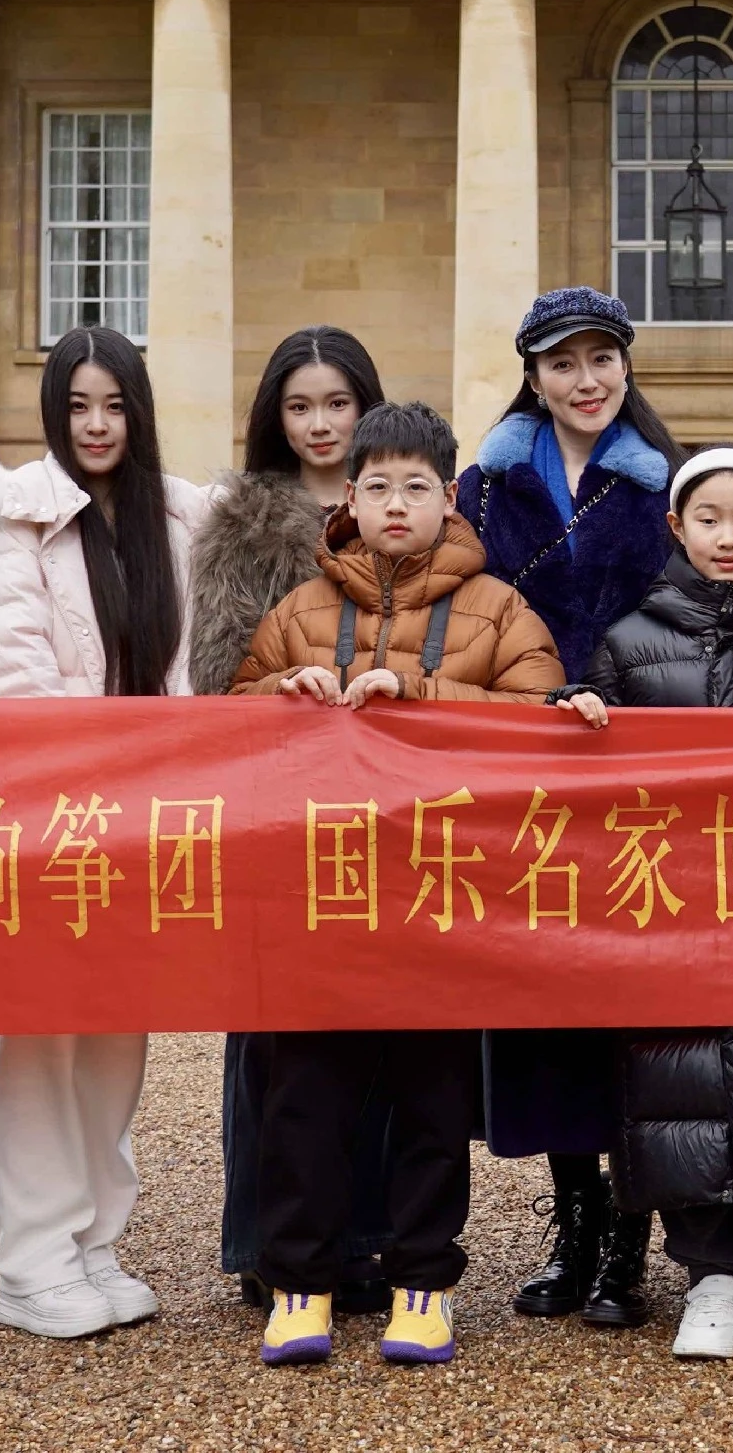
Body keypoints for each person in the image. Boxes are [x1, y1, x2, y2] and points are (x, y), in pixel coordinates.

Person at [233, 400, 564, 1368]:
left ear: (448, 496)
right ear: (348, 494)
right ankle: (299, 1282)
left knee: (431, 1101)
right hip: (320, 896)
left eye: (415, 486)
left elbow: (541, 720)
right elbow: (227, 720)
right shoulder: (300, 609)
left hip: (441, 897)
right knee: (303, 1100)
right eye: (376, 485)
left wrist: (418, 693)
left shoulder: (498, 607)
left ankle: (424, 1281)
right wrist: (278, 695)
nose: (394, 504)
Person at [0, 328, 214, 1339]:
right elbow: (13, 681)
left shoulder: (180, 517)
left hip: (151, 821)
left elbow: (197, 671)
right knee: (33, 1038)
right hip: (46, 817)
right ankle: (32, 1261)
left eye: (114, 405)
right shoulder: (16, 521)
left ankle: (94, 1241)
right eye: (76, 406)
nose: (96, 425)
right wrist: (101, 779)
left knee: (113, 1032)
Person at [553, 448, 733, 1361]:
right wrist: (578, 708)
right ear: (677, 527)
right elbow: (587, 754)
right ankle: (710, 1274)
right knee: (677, 1082)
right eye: (709, 519)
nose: (728, 535)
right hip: (671, 901)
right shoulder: (629, 638)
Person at [453, 286, 688, 1329]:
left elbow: (712, 592)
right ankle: (574, 1221)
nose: (585, 380)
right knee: (543, 1001)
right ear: (533, 376)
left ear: (626, 365)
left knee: (629, 1004)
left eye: (601, 358)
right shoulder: (483, 484)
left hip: (634, 768)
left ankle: (628, 1238)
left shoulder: (669, 481)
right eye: (562, 362)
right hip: (524, 771)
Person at [198, 327, 399, 1317]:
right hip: (279, 809)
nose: (322, 424)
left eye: (338, 403)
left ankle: (365, 1235)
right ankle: (266, 1240)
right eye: (301, 405)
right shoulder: (242, 521)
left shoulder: (406, 507)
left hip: (392, 811)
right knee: (273, 1037)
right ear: (274, 418)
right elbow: (217, 674)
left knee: (380, 1028)